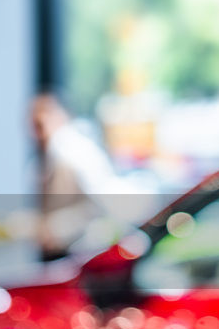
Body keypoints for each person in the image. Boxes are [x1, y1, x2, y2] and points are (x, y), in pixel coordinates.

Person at [32, 91, 148, 260]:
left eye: (40, 124)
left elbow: (99, 203)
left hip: (80, 249)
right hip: (68, 248)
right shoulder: (52, 154)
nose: (37, 133)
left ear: (61, 116)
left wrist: (55, 229)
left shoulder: (72, 152)